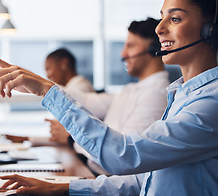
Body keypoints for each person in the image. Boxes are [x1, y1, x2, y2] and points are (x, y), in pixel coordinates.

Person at [0, 0, 218, 195]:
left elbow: (125, 156)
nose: (159, 29)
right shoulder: (183, 94)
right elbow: (147, 178)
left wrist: (46, 90)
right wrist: (61, 189)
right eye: (162, 18)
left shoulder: (217, 103)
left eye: (174, 19)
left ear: (211, 30)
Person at [48, 17, 169, 176]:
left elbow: (123, 157)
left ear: (154, 49)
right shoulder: (132, 90)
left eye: (130, 46)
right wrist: (39, 85)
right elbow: (86, 101)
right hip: (95, 173)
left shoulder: (156, 94)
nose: (123, 53)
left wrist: (73, 139)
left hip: (107, 180)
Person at [5, 48, 94, 144]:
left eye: (49, 68)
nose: (48, 75)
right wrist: (27, 138)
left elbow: (69, 136)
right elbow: (62, 135)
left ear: (64, 64)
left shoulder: (80, 87)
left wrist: (26, 138)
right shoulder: (71, 86)